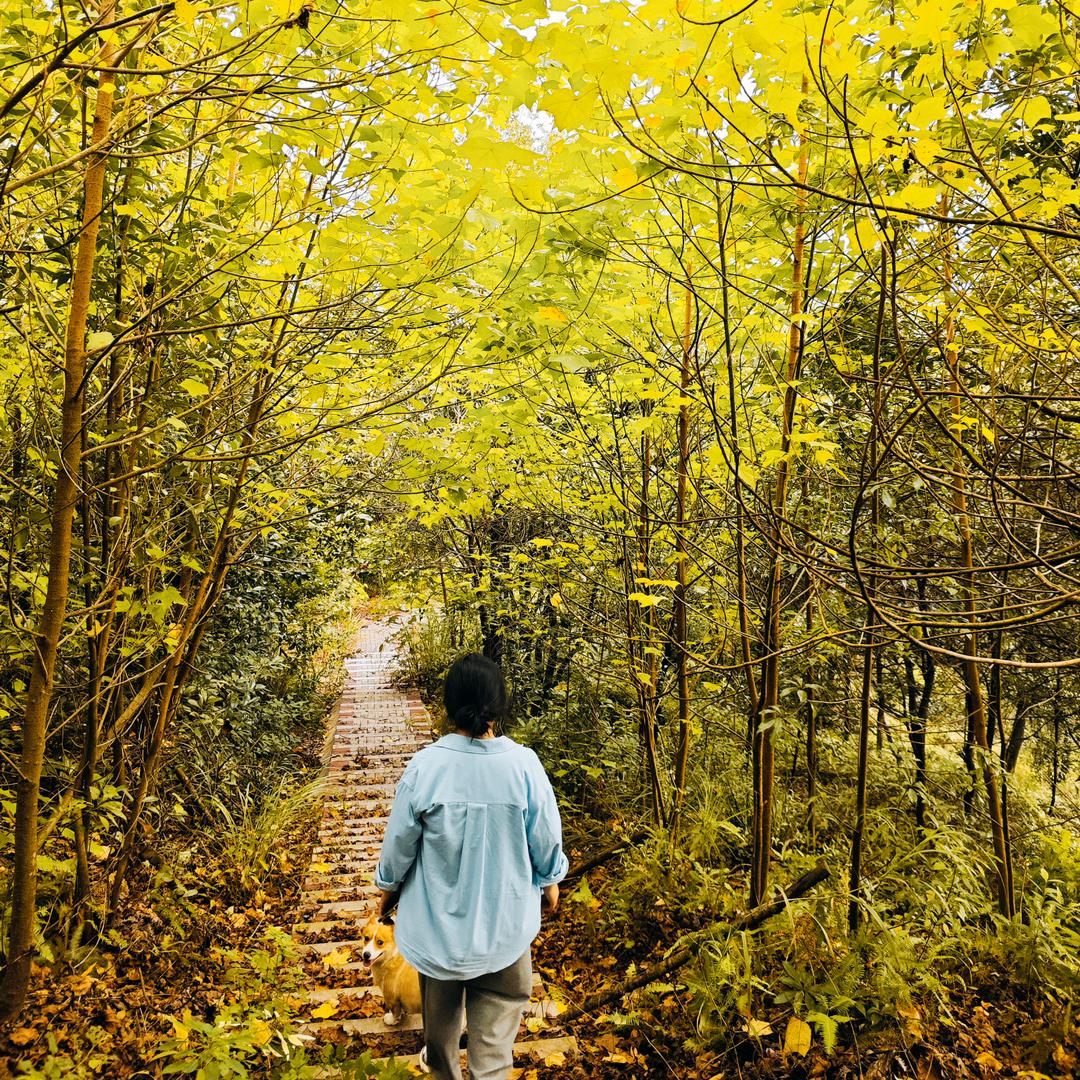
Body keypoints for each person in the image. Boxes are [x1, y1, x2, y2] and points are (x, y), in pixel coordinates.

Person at [374, 653, 568, 1080]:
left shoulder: (427, 766)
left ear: (450, 703)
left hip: (438, 935)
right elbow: (546, 839)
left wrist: (387, 890)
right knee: (495, 1046)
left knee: (439, 1034)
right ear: (499, 703)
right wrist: (550, 881)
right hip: (505, 930)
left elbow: (399, 844)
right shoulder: (524, 766)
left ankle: (443, 1069)